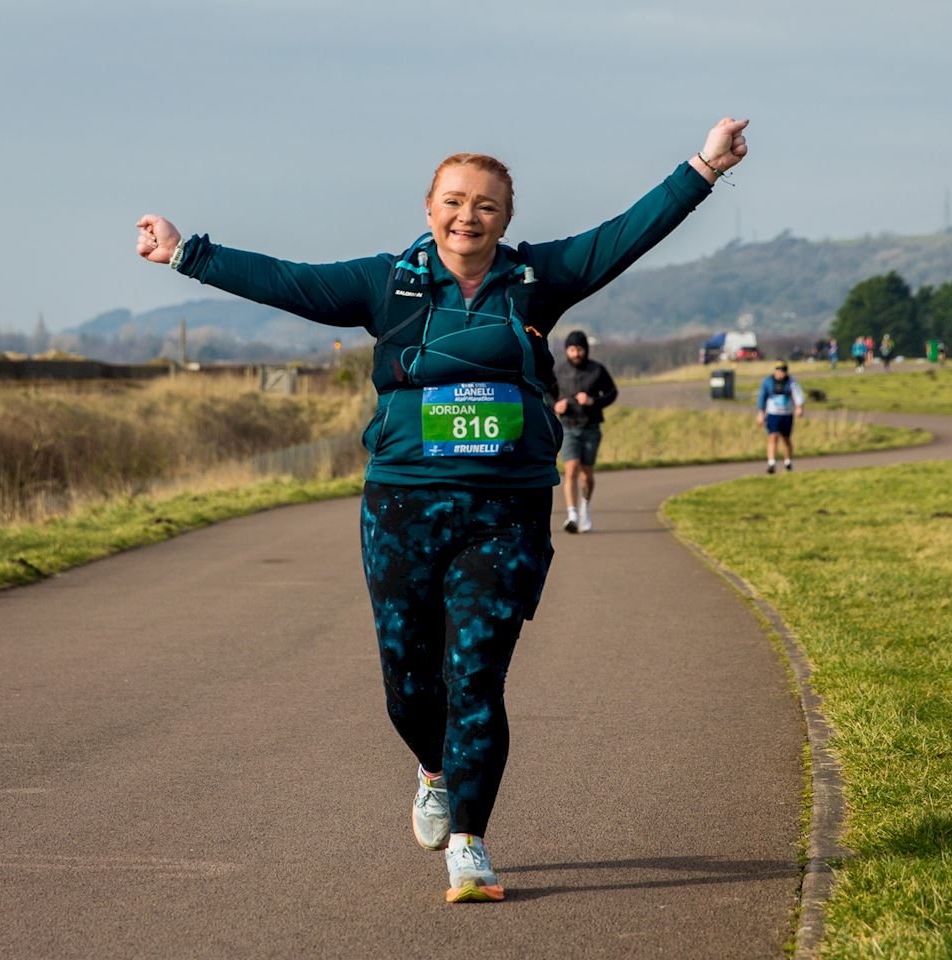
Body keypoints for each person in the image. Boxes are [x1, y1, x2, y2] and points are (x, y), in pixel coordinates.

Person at [134, 117, 749, 904]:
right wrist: (189, 254)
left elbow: (626, 233)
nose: (469, 216)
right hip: (402, 503)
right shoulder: (384, 284)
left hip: (507, 508)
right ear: (429, 208)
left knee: (476, 676)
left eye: (486, 206)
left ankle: (470, 842)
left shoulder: (539, 279)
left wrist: (702, 167)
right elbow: (287, 280)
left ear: (506, 218)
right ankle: (433, 770)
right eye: (455, 201)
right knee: (407, 682)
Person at [553, 329, 617, 532]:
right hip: (568, 426)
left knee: (587, 474)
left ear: (585, 350)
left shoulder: (597, 370)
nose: (576, 353)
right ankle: (571, 515)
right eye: (572, 349)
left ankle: (584, 508)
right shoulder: (559, 371)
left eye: (579, 349)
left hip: (591, 426)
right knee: (571, 470)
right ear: (566, 351)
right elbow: (547, 391)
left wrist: (593, 401)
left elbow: (612, 393)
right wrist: (555, 405)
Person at [757, 360, 806, 473]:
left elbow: (798, 395)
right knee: (772, 436)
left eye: (783, 371)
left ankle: (788, 462)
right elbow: (762, 398)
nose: (781, 373)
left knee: (785, 439)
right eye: (779, 370)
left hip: (786, 414)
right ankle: (771, 463)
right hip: (773, 414)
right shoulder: (767, 382)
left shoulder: (791, 382)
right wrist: (760, 412)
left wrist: (799, 407)